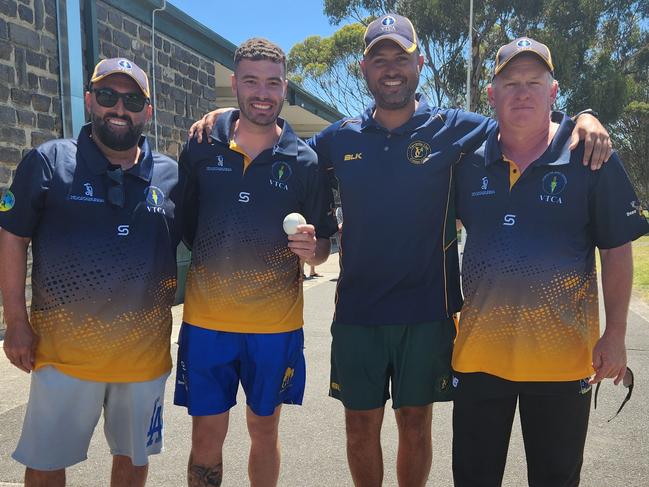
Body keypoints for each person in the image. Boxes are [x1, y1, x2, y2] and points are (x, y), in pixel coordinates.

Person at [189, 15, 612, 487]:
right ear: (364, 68)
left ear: (420, 63)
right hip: (358, 312)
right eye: (380, 59)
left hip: (427, 312)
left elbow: (526, 117)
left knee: (415, 425)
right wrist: (228, 118)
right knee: (359, 428)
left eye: (401, 58)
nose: (391, 68)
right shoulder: (338, 137)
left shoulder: (455, 128)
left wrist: (585, 116)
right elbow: (278, 143)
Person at [451, 37, 648, 487]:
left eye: (534, 83)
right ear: (492, 94)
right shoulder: (466, 161)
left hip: (562, 362)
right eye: (511, 83)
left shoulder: (591, 156)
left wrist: (615, 335)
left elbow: (616, 250)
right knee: (473, 479)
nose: (522, 93)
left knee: (556, 480)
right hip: (479, 357)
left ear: (553, 91)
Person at [0, 58, 179, 487]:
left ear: (147, 111)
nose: (120, 107)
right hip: (63, 353)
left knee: (133, 462)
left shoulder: (173, 175)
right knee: (45, 463)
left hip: (143, 357)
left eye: (132, 99)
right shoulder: (48, 161)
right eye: (107, 96)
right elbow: (11, 237)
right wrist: (15, 322)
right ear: (89, 101)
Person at [174, 38, 336, 487]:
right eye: (251, 81)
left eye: (272, 82)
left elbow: (322, 245)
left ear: (285, 87)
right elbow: (190, 227)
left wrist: (312, 251)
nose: (262, 93)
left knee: (264, 430)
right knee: (207, 433)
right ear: (235, 84)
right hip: (208, 324)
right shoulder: (202, 145)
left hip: (275, 328)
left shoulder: (305, 161)